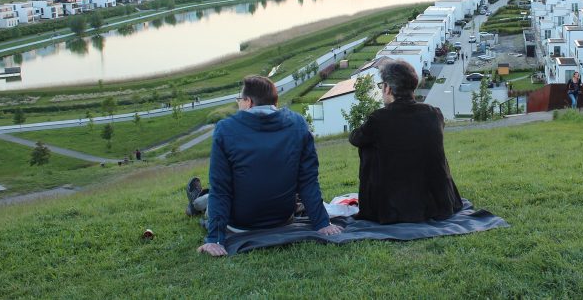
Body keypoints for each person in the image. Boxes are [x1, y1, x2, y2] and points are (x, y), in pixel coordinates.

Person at [195, 75, 341, 257]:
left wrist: (215, 239)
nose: (239, 103)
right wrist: (322, 223)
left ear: (248, 102)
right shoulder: (298, 123)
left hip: (240, 224)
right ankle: (197, 200)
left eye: (240, 100)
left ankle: (196, 202)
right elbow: (307, 180)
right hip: (283, 217)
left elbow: (221, 188)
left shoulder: (225, 129)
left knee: (212, 198)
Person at [349, 59, 463, 224]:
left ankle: (375, 204)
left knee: (368, 146)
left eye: (382, 86)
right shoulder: (434, 113)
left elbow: (355, 138)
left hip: (394, 208)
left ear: (387, 88)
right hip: (439, 204)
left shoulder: (379, 119)